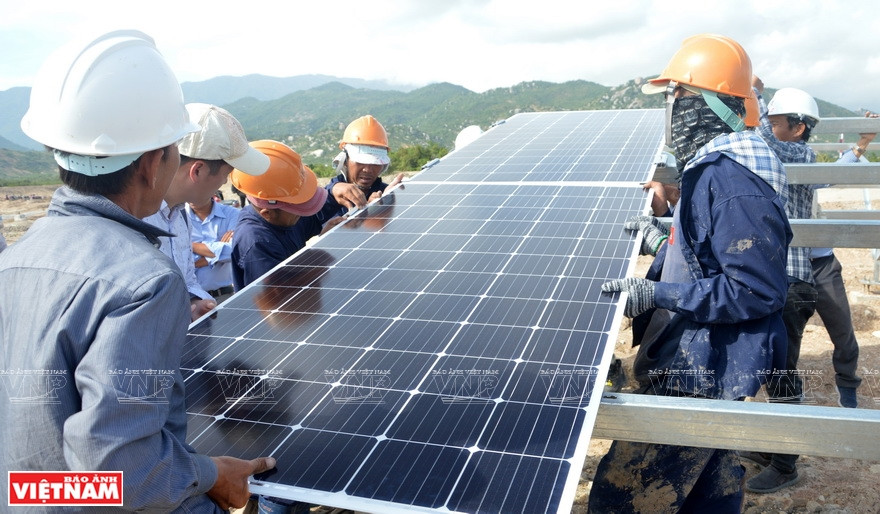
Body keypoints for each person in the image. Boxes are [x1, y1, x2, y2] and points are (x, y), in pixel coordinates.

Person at [0, 30, 274, 512]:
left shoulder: (16, 259)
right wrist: (211, 473)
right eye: (172, 149)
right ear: (153, 164)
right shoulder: (143, 281)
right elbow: (119, 475)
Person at [588, 34, 791, 512]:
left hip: (700, 370)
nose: (672, 106)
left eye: (680, 94)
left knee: (625, 499)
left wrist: (658, 296)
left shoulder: (732, 180)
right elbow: (707, 256)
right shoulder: (711, 170)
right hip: (704, 365)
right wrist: (661, 240)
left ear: (717, 104)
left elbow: (755, 289)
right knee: (709, 496)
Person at [144, 102, 270, 320]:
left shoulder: (179, 217)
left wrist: (195, 301)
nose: (223, 185)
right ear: (198, 170)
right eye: (225, 174)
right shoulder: (138, 219)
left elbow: (188, 279)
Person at [231, 139, 338, 291]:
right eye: (297, 208)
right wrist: (318, 254)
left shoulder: (282, 217)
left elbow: (311, 218)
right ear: (267, 213)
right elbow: (279, 299)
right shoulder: (257, 243)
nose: (301, 213)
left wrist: (334, 192)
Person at [326, 114, 404, 218]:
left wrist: (385, 206)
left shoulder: (387, 196)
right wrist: (331, 192)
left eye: (375, 163)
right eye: (360, 162)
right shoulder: (325, 201)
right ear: (345, 160)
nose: (367, 169)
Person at [187, 195, 241, 303]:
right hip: (190, 301)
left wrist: (189, 245)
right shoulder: (177, 217)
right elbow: (174, 255)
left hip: (225, 297)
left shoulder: (232, 214)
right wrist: (219, 247)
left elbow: (234, 250)